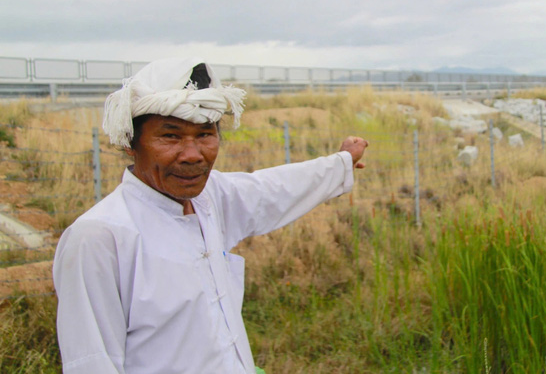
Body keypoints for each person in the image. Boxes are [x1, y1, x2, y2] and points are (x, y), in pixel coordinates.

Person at [52, 58, 368, 374]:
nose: (192, 154)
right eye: (170, 136)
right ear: (130, 143)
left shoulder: (208, 198)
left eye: (205, 135)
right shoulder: (98, 239)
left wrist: (339, 163)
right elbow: (91, 363)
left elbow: (269, 190)